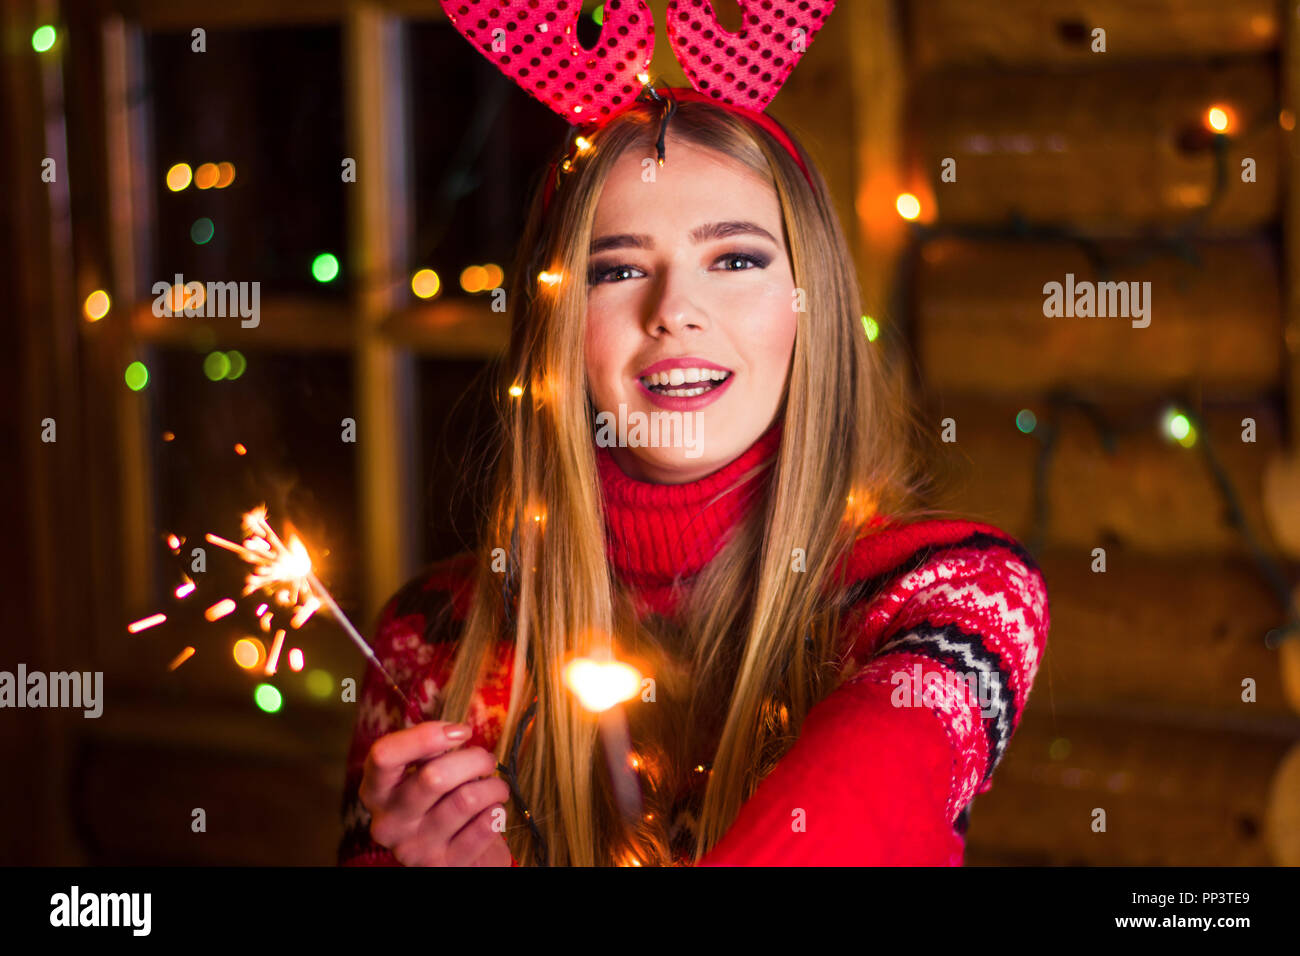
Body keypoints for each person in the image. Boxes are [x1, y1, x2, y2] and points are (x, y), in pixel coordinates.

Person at [336, 84, 1051, 866]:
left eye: (736, 258)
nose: (674, 309)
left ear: (811, 304)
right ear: (558, 324)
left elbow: (865, 791)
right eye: (615, 270)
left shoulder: (952, 591)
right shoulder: (433, 639)